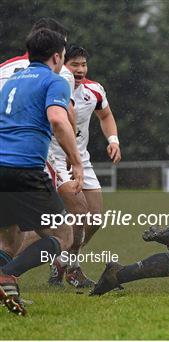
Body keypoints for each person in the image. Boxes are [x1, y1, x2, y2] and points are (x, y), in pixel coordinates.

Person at [0, 28, 83, 316]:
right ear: (58, 56)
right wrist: (77, 160)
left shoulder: (12, 81)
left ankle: (5, 281)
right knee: (62, 236)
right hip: (25, 169)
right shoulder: (54, 80)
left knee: (9, 240)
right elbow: (58, 120)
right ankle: (7, 276)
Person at [43, 45, 121, 288]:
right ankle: (70, 267)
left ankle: (62, 260)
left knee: (95, 219)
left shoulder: (94, 91)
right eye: (74, 64)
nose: (79, 69)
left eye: (83, 64)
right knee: (77, 213)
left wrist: (113, 140)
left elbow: (106, 116)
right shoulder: (51, 87)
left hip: (81, 159)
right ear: (63, 65)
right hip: (54, 158)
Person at [0, 18, 77, 132]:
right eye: (63, 44)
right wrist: (74, 140)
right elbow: (66, 113)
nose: (65, 51)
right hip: (36, 143)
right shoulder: (62, 73)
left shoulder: (3, 67)